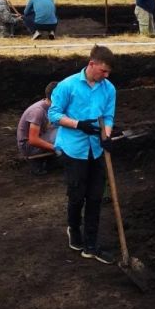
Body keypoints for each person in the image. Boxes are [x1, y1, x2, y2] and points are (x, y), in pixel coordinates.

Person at [48, 45, 116, 263]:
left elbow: (108, 116)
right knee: (77, 196)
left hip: (96, 150)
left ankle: (91, 245)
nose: (105, 76)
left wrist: (106, 137)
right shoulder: (67, 86)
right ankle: (74, 229)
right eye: (102, 71)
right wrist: (78, 124)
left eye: (108, 73)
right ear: (92, 64)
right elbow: (54, 114)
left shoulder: (109, 89)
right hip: (73, 149)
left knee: (96, 197)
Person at [17, 81, 59, 173]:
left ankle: (51, 161)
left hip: (39, 139)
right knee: (65, 134)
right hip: (29, 147)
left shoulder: (49, 106)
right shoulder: (38, 111)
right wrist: (57, 148)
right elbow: (33, 140)